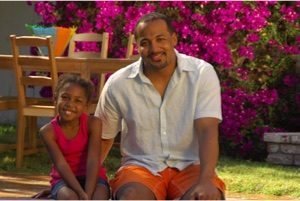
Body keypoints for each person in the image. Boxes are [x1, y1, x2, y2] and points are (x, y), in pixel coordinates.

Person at [95, 12, 226, 200]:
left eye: (160, 39)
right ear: (137, 46)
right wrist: (76, 182)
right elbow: (103, 138)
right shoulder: (119, 83)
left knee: (207, 197)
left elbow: (207, 130)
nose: (154, 48)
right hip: (140, 169)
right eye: (145, 42)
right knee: (131, 197)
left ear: (174, 39)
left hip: (191, 167)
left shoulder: (201, 73)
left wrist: (206, 180)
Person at [40, 74, 109, 200]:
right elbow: (61, 165)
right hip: (64, 180)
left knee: (98, 198)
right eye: (65, 97)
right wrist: (80, 192)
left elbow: (93, 160)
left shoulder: (93, 124)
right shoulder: (48, 132)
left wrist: (87, 193)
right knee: (71, 198)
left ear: (86, 105)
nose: (70, 104)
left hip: (93, 178)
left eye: (78, 100)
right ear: (55, 99)